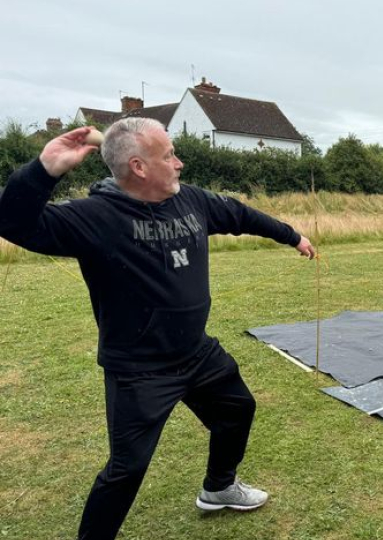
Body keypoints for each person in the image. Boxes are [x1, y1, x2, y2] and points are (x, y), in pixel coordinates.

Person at [0, 119, 315, 540]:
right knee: (126, 469)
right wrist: (44, 169)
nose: (179, 162)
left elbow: (240, 213)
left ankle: (219, 488)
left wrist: (292, 236)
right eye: (168, 155)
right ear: (139, 167)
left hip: (197, 354)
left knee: (237, 410)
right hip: (139, 369)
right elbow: (13, 223)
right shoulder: (94, 218)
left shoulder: (191, 202)